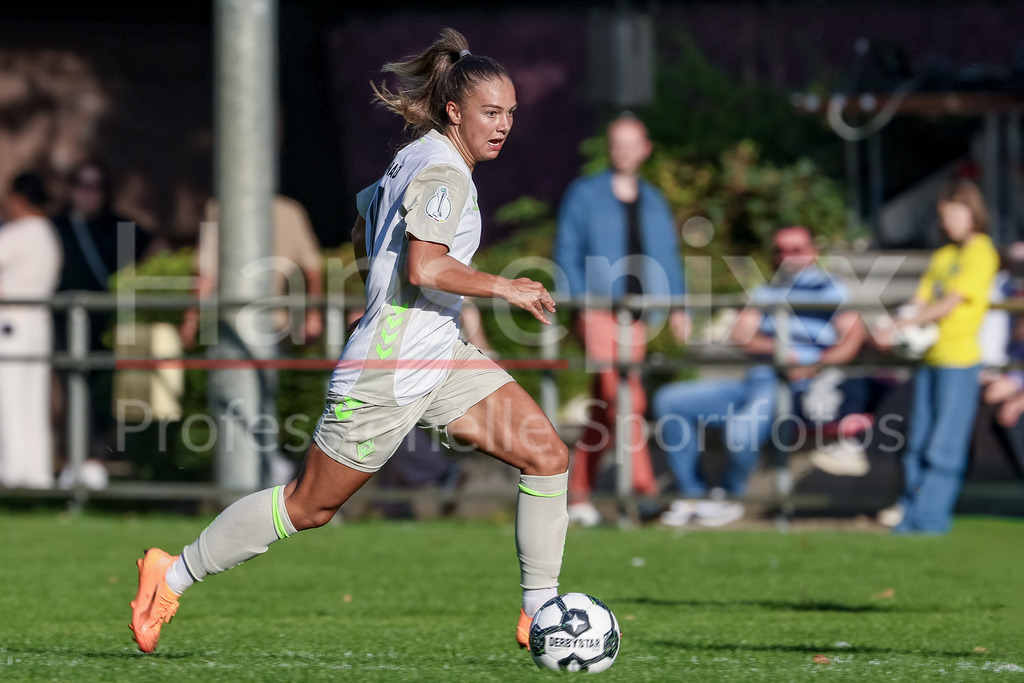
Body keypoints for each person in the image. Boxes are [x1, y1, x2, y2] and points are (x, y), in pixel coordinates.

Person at [129, 28, 569, 655]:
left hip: (437, 352)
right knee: (308, 506)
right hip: (390, 366)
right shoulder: (444, 172)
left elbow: (365, 220)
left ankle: (541, 612)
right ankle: (169, 575)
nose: (503, 126)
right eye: (490, 113)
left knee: (546, 453)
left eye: (510, 114)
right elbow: (426, 266)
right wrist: (506, 286)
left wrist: (381, 287)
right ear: (454, 111)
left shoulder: (415, 155)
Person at [652, 226, 866, 527]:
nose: (788, 257)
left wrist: (813, 364)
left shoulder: (830, 289)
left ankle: (730, 497)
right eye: (781, 250)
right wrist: (779, 350)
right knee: (670, 401)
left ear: (813, 252)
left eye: (796, 249)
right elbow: (741, 333)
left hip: (797, 386)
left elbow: (853, 338)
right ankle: (693, 495)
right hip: (757, 380)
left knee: (741, 432)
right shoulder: (767, 291)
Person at [553, 113, 690, 527]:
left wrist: (678, 306)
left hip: (637, 314)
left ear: (645, 149)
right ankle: (644, 495)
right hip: (597, 307)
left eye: (633, 144)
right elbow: (567, 252)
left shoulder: (653, 199)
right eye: (619, 143)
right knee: (625, 397)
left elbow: (668, 256)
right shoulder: (585, 194)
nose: (626, 152)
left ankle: (575, 494)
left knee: (608, 405)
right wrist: (579, 302)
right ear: (610, 148)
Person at [872, 177, 999, 534]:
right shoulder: (944, 256)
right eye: (944, 217)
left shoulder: (981, 252)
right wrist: (890, 325)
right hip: (929, 358)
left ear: (973, 213)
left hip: (959, 360)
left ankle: (929, 520)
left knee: (944, 446)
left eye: (955, 215)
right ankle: (911, 516)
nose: (949, 223)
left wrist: (904, 323)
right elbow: (921, 300)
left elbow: (950, 303)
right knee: (918, 443)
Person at [50, 160, 155, 476]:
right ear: (71, 189)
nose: (89, 193)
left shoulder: (121, 227)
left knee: (103, 395)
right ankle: (76, 458)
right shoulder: (55, 227)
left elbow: (156, 248)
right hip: (65, 325)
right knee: (71, 390)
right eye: (82, 185)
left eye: (96, 186)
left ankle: (95, 459)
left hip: (108, 327)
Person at [0, 172, 63, 488]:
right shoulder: (49, 233)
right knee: (33, 402)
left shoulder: (18, 233)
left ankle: (13, 475)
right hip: (39, 325)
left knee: (10, 400)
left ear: (19, 199)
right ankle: (37, 475)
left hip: (11, 324)